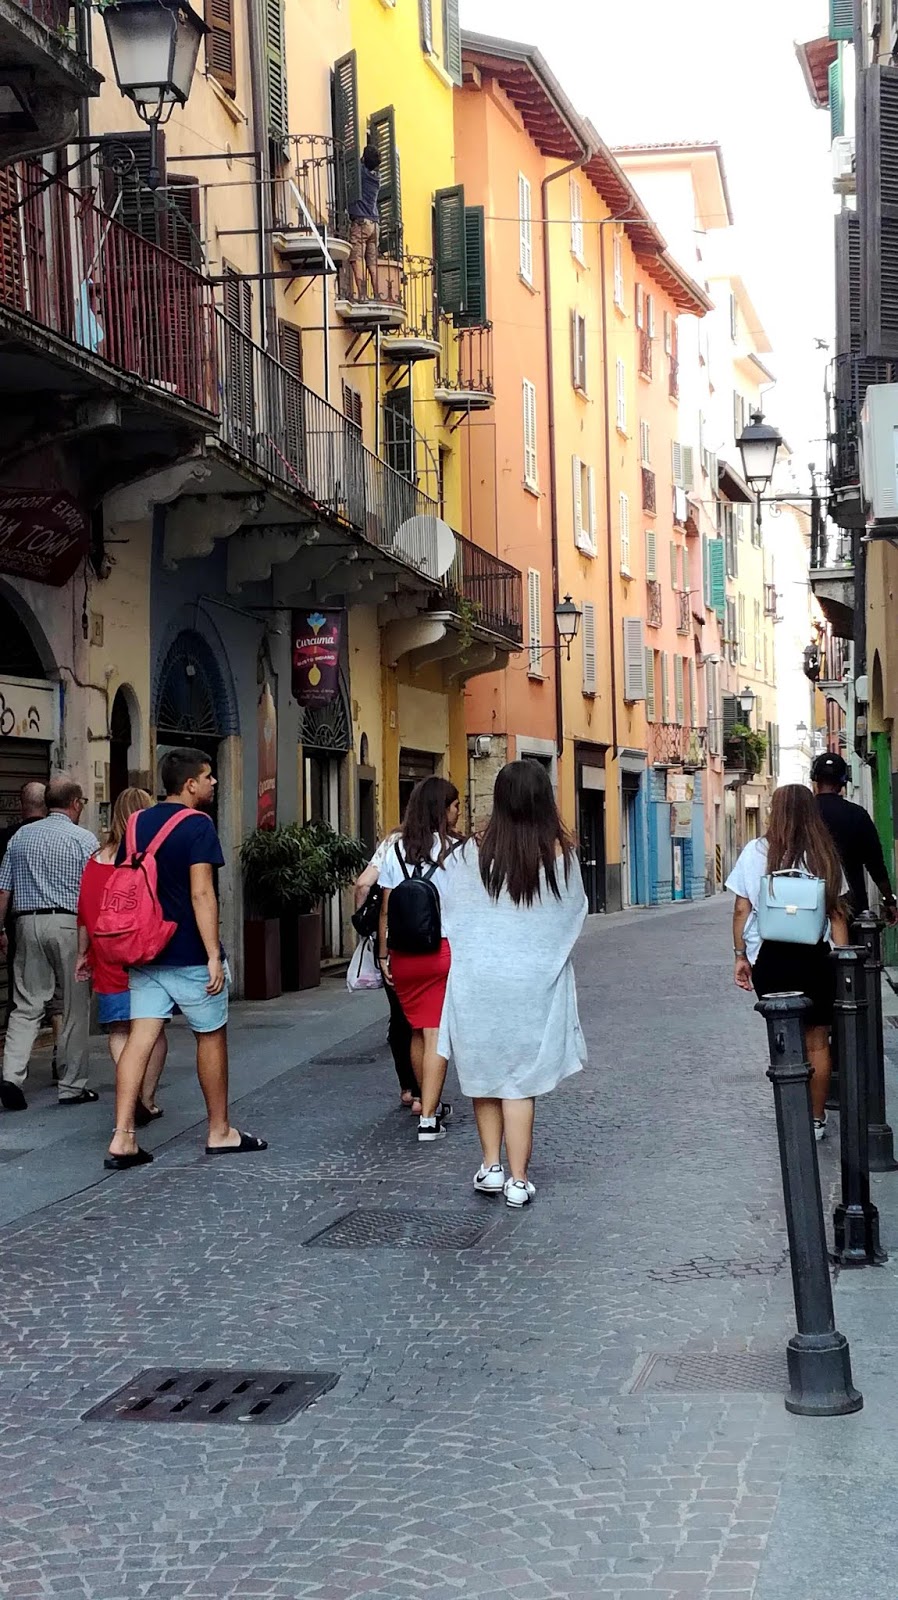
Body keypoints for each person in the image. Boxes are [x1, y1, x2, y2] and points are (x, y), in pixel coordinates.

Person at [105, 748, 266, 1171]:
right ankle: (220, 1131)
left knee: (140, 1038)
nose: (214, 782)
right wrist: (213, 954)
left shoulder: (136, 822)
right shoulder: (198, 825)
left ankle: (123, 1136)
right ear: (190, 784)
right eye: (208, 776)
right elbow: (202, 892)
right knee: (210, 1036)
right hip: (189, 952)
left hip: (144, 949)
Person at [437, 762, 587, 1208]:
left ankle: (490, 1166)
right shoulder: (561, 858)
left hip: (477, 981)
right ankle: (518, 1180)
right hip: (531, 986)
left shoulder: (466, 854)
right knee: (520, 1082)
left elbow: (452, 914)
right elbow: (571, 916)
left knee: (483, 1074)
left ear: (498, 798)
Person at [727, 783, 850, 1141]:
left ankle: (790, 1112)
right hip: (814, 955)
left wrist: (740, 955)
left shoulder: (756, 851)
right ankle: (815, 1119)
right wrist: (843, 962)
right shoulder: (824, 853)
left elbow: (741, 908)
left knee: (783, 1037)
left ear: (774, 811)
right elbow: (837, 914)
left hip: (772, 956)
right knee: (818, 1042)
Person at [0, 775, 98, 1109]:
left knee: (26, 1004)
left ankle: (11, 1076)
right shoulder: (83, 839)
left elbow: (4, 890)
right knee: (74, 1007)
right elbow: (92, 893)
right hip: (69, 925)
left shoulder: (20, 837)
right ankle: (71, 1086)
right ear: (75, 803)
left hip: (26, 922)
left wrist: (1, 929)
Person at [76, 788, 168, 1128]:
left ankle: (129, 1090)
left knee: (118, 1028)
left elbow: (84, 913)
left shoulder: (95, 860)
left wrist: (82, 954)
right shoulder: (150, 858)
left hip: (108, 953)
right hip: (145, 954)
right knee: (153, 1029)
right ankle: (146, 1099)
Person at [377, 777, 462, 1142]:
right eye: (455, 806)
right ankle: (428, 1118)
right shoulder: (456, 850)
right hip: (439, 950)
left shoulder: (394, 847)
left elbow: (385, 908)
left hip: (403, 954)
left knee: (417, 1028)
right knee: (435, 1031)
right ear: (441, 809)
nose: (458, 812)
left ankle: (427, 1101)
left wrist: (383, 955)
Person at [354, 834, 418, 1112]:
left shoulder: (393, 843)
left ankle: (407, 1087)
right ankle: (425, 1092)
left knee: (399, 1016)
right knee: (427, 1022)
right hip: (434, 939)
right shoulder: (445, 843)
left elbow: (362, 884)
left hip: (393, 941)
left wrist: (365, 930)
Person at [811, 750, 898, 924]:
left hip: (808, 905)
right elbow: (875, 864)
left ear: (815, 780)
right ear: (843, 781)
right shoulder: (857, 814)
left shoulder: (802, 815)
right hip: (851, 905)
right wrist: (889, 900)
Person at [348, 143, 382, 301]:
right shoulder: (377, 178)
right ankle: (377, 294)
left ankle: (362, 295)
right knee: (372, 262)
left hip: (361, 222)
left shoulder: (361, 173)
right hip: (374, 224)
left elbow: (354, 165)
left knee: (357, 258)